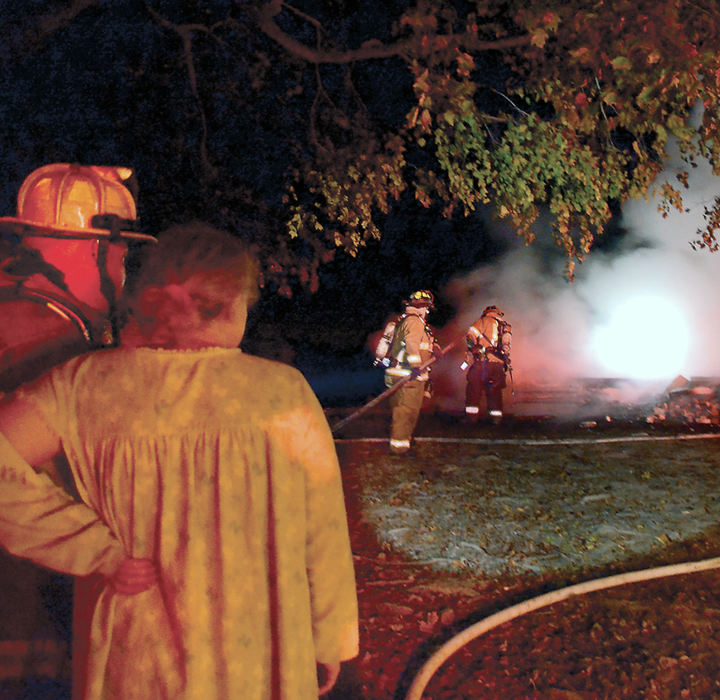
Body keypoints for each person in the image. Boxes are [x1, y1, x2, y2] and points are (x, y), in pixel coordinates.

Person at [0, 222, 358, 699]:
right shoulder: (282, 391)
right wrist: (330, 636)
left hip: (136, 649)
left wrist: (92, 548)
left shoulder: (84, 384)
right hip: (255, 648)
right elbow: (324, 530)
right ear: (233, 305)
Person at [383, 290, 437, 455]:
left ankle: (403, 440)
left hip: (398, 372)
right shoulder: (415, 322)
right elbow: (412, 345)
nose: (427, 312)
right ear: (422, 307)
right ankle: (399, 449)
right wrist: (416, 366)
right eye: (427, 309)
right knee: (406, 411)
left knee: (402, 411)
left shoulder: (406, 321)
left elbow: (422, 345)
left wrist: (436, 348)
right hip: (407, 374)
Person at [463, 305, 512, 424]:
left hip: (482, 362)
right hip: (498, 365)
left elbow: (470, 336)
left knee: (473, 390)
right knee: (495, 392)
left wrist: (473, 348)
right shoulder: (505, 328)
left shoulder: (483, 321)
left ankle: (471, 418)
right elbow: (506, 346)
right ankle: (496, 419)